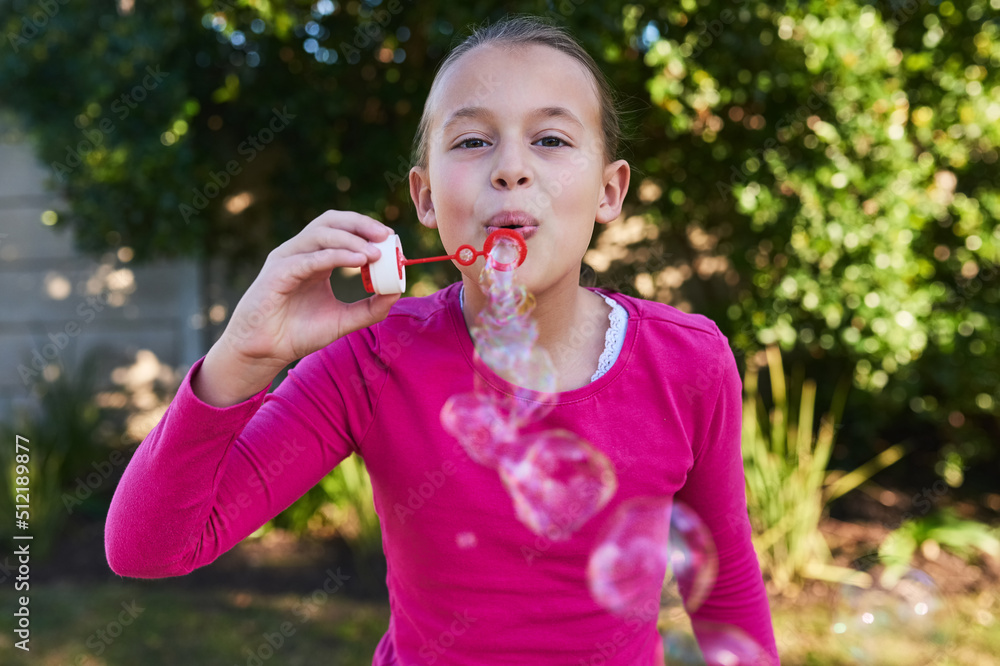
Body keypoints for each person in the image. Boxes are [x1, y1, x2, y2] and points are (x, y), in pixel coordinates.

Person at [106, 15, 778, 665]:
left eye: (550, 139)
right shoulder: (371, 357)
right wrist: (243, 357)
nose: (511, 168)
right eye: (472, 142)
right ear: (426, 200)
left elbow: (725, 589)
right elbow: (149, 547)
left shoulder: (690, 360)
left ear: (609, 191)